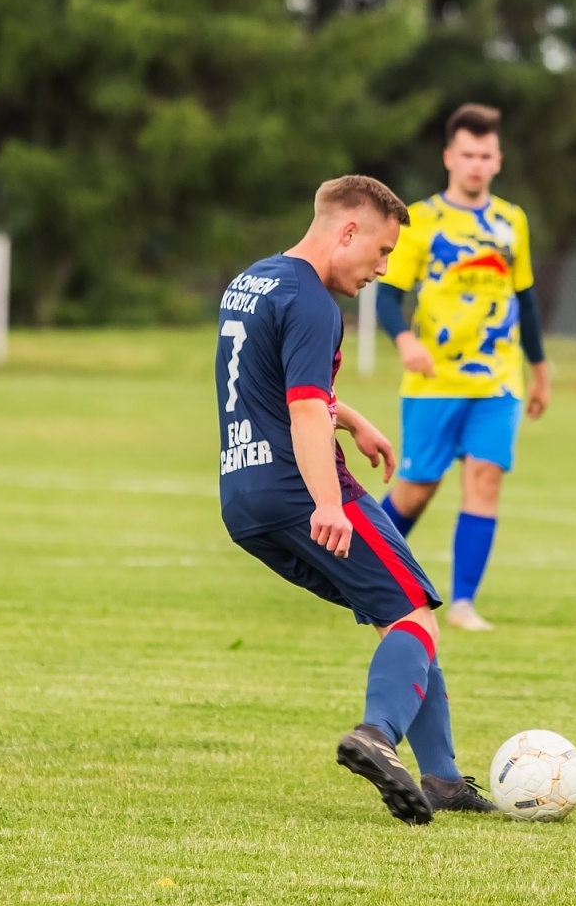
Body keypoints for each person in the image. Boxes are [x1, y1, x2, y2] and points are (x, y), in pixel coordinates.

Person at [217, 174, 493, 824]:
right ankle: (376, 736)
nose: (385, 269)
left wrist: (355, 419)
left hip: (244, 497)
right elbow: (304, 411)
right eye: (383, 252)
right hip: (300, 487)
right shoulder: (314, 304)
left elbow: (274, 384)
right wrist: (327, 503)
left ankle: (444, 778)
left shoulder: (252, 281)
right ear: (347, 231)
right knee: (416, 617)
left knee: (397, 608)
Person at [374, 104, 552, 633]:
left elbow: (528, 301)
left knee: (485, 479)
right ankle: (360, 575)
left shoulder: (511, 222)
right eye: (467, 154)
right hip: (433, 382)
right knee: (416, 488)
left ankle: (463, 604)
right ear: (449, 157)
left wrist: (540, 369)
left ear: (498, 160)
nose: (476, 164)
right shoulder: (421, 220)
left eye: (486, 155)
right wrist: (405, 340)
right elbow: (387, 297)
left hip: (498, 381)